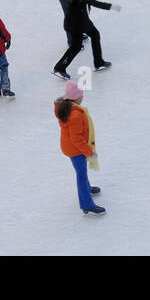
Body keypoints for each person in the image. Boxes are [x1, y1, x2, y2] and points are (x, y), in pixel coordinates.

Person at [52, 0, 118, 78]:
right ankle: (59, 68)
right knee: (77, 46)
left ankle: (98, 63)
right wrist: (111, 6)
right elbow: (93, 2)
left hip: (80, 20)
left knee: (91, 37)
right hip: (76, 23)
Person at [54, 82, 105, 215]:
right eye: (81, 95)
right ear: (76, 98)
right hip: (75, 150)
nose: (82, 97)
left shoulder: (65, 107)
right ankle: (87, 204)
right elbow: (76, 138)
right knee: (81, 175)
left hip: (69, 147)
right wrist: (89, 152)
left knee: (81, 171)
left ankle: (87, 188)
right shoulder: (75, 115)